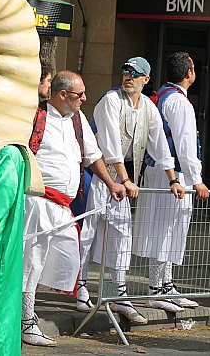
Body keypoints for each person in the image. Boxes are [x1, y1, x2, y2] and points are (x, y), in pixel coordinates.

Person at [22, 70, 126, 347]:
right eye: (79, 95)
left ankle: (24, 315)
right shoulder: (35, 117)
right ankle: (25, 322)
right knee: (30, 264)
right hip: (37, 203)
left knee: (60, 263)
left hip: (63, 208)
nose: (84, 98)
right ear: (63, 95)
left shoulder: (77, 119)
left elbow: (92, 155)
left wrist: (112, 183)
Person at [80, 56, 185, 324]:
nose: (128, 76)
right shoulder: (110, 101)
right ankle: (80, 287)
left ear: (146, 79)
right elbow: (110, 145)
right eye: (125, 71)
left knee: (122, 236)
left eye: (135, 74)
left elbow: (160, 145)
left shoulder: (148, 107)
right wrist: (125, 181)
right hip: (97, 175)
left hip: (121, 181)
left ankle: (120, 295)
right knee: (87, 235)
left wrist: (172, 179)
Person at [133, 52, 209, 312]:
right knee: (166, 227)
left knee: (170, 227)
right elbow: (186, 145)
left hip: (165, 171)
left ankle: (166, 285)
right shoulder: (179, 102)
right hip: (173, 174)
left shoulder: (165, 97)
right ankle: (157, 288)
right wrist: (197, 179)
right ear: (189, 73)